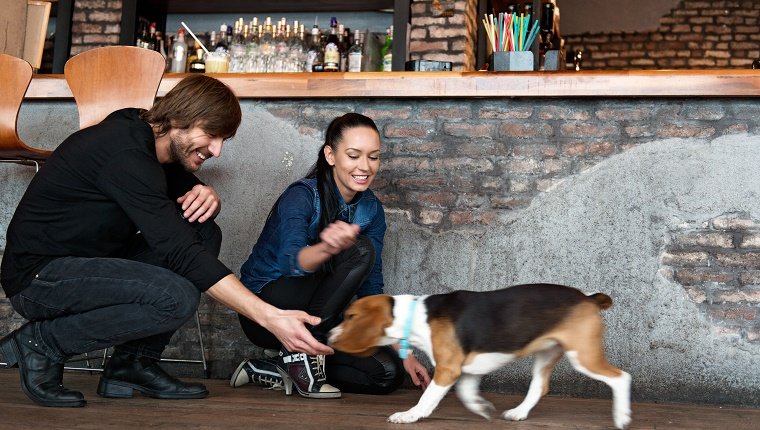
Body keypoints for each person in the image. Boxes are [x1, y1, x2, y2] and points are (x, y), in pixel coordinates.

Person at [0, 74, 331, 408]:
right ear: (177, 120)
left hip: (88, 263)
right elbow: (180, 252)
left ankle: (131, 364)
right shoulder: (124, 153)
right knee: (175, 297)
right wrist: (270, 316)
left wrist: (206, 192)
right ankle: (41, 344)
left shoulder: (150, 141)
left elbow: (184, 223)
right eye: (211, 135)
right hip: (39, 278)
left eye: (223, 140)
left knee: (202, 232)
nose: (216, 150)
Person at [231, 113, 431, 398]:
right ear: (330, 155)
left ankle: (278, 365)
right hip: (268, 309)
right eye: (353, 155)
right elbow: (292, 263)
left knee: (386, 374)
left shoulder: (371, 210)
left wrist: (404, 352)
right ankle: (300, 358)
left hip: (320, 314)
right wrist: (327, 248)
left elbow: (371, 289)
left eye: (373, 157)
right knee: (360, 250)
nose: (365, 166)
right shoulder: (301, 196)